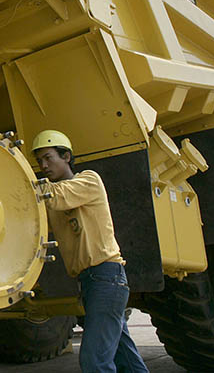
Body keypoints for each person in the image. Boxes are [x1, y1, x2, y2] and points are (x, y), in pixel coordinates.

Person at [32, 129, 148, 373]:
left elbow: (55, 195)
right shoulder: (53, 202)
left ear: (66, 157)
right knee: (125, 358)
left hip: (107, 277)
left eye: (48, 157)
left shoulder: (88, 181)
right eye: (39, 161)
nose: (43, 165)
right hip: (91, 282)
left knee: (95, 362)